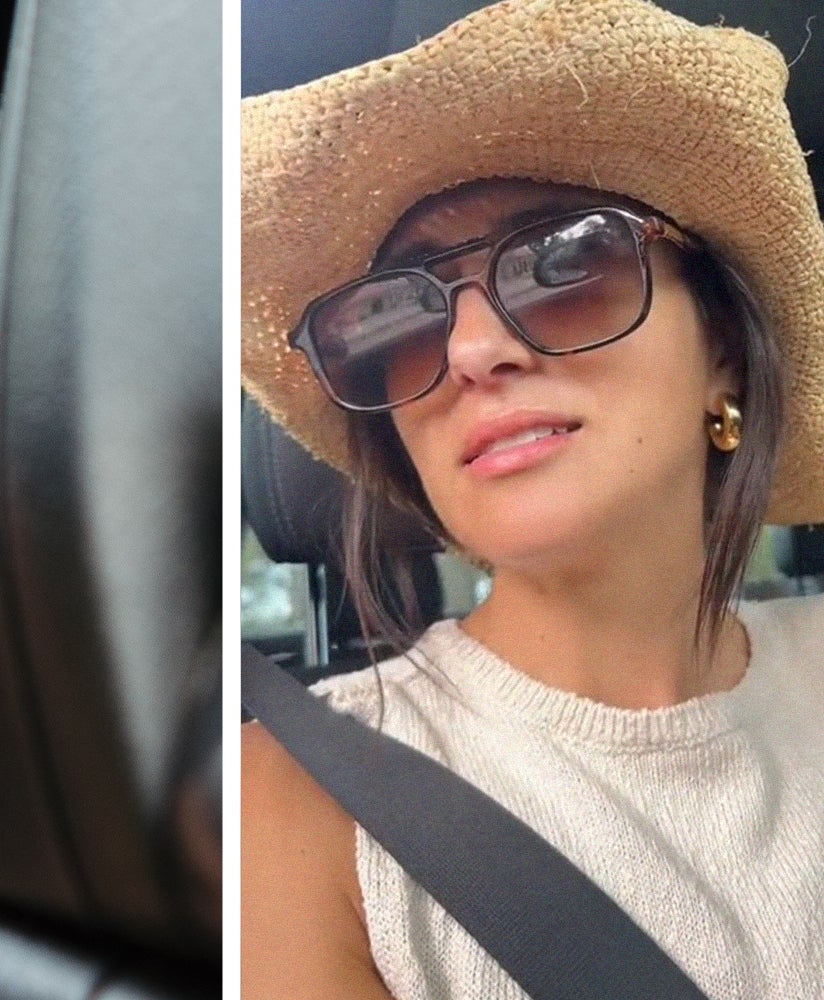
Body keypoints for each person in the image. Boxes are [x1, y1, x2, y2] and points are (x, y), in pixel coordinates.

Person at [240, 1, 824, 997]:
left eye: (566, 261)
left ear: (721, 351)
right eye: (392, 317)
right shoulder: (292, 802)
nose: (470, 351)